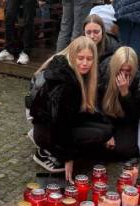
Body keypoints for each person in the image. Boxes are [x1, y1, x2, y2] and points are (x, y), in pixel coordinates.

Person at [29, 36, 112, 178]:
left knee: (107, 129)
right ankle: (48, 151)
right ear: (73, 57)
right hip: (49, 129)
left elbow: (76, 112)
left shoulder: (76, 73)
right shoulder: (67, 84)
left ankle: (52, 147)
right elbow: (60, 124)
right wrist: (68, 158)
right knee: (101, 134)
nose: (85, 63)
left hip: (54, 123)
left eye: (89, 59)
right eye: (80, 58)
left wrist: (104, 122)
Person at [97, 46, 140, 161]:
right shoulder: (104, 74)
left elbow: (134, 116)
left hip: (124, 121)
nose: (124, 74)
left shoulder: (138, 79)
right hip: (105, 119)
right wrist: (107, 133)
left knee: (126, 151)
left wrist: (125, 94)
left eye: (128, 71)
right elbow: (97, 107)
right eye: (121, 70)